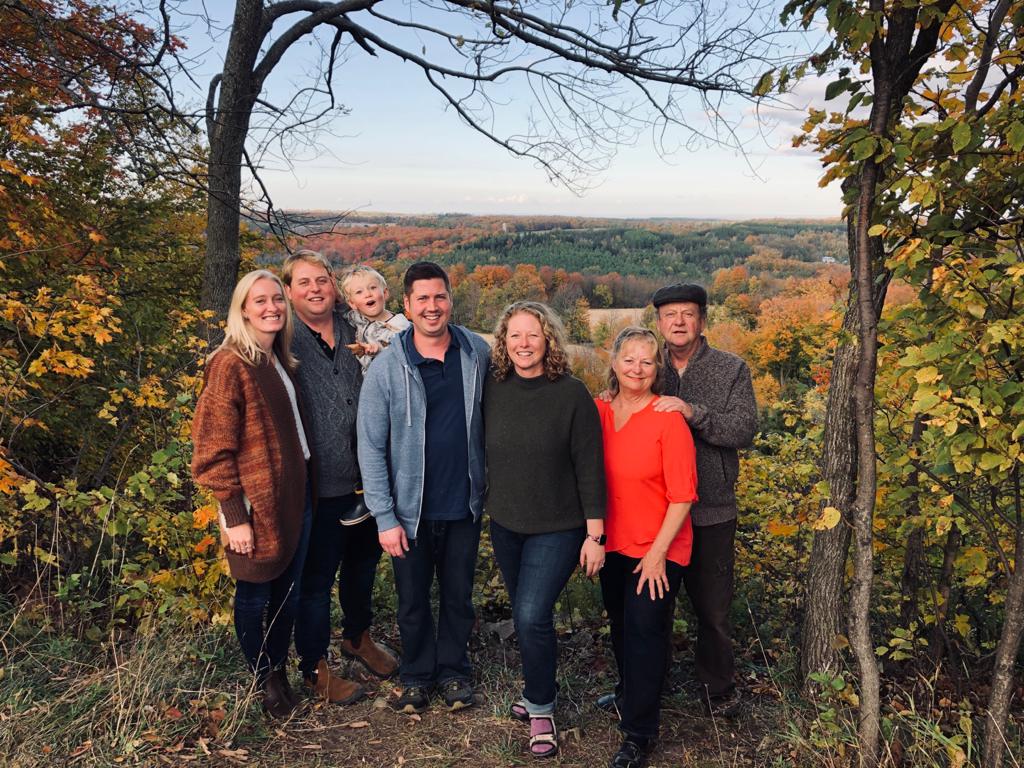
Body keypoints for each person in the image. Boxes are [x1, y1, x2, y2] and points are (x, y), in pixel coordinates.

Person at [356, 261, 491, 714]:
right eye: (423, 299)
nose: (432, 307)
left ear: (450, 299)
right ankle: (416, 674)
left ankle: (453, 671)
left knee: (458, 596)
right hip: (408, 512)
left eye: (440, 297)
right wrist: (385, 516)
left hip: (463, 503)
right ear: (408, 306)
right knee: (412, 600)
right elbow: (370, 447)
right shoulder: (388, 367)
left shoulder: (476, 353)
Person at [484, 301, 606, 759]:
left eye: (532, 334)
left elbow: (590, 467)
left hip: (559, 527)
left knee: (533, 615)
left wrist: (595, 537)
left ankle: (541, 708)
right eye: (513, 335)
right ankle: (536, 687)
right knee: (525, 617)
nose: (523, 344)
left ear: (548, 339)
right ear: (503, 342)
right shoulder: (493, 388)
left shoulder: (571, 394)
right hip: (506, 524)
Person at [191, 269, 313, 718]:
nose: (271, 308)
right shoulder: (229, 364)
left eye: (277, 299)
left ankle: (278, 668)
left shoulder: (276, 358)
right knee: (255, 594)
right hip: (255, 506)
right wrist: (233, 513)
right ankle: (262, 678)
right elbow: (211, 448)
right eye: (259, 301)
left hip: (296, 500)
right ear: (242, 309)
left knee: (287, 593)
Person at [281, 251, 398, 706]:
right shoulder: (286, 340)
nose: (315, 289)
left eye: (322, 280)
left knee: (363, 567)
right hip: (319, 483)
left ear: (335, 286)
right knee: (316, 579)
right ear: (290, 292)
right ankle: (315, 667)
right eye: (304, 282)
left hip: (369, 478)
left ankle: (357, 637)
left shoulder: (358, 327)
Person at [650, 283, 757, 717]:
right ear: (658, 322)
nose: (678, 322)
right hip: (654, 511)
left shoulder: (731, 368)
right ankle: (647, 686)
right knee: (651, 606)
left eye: (687, 314)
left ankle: (717, 692)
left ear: (702, 320)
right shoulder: (645, 365)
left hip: (711, 509)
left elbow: (744, 430)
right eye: (670, 314)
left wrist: (693, 413)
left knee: (712, 609)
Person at [595, 326, 699, 768]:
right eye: (629, 358)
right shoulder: (597, 410)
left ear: (657, 370)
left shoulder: (666, 418)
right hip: (613, 542)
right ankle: (628, 691)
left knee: (643, 633)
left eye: (648, 360)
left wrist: (656, 554)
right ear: (615, 361)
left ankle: (639, 734)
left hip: (658, 548)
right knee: (620, 626)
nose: (637, 368)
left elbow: (683, 495)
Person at [338, 264, 410, 372]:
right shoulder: (357, 319)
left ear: (385, 293)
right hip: (370, 383)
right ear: (352, 303)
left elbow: (406, 351)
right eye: (359, 292)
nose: (368, 294)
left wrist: (380, 350)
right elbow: (338, 308)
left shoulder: (399, 326)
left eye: (373, 288)